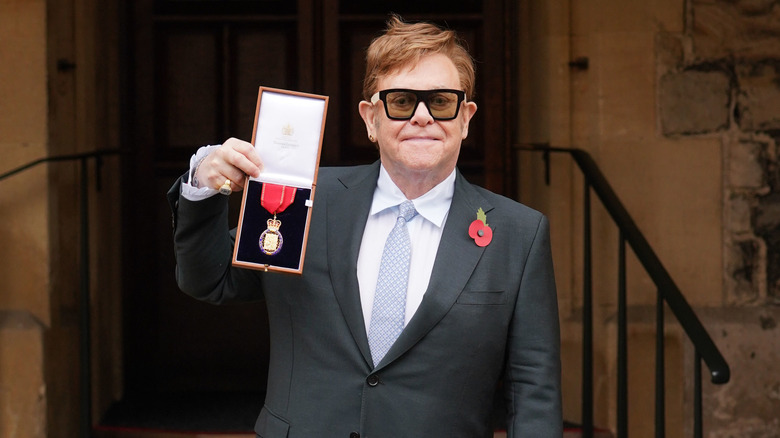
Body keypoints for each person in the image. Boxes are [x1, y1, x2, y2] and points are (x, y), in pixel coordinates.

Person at [168, 15, 562, 438]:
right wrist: (204, 186)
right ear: (371, 119)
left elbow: (532, 390)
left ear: (465, 118)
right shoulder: (308, 201)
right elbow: (210, 280)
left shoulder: (519, 235)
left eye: (442, 102)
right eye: (401, 102)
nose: (423, 118)